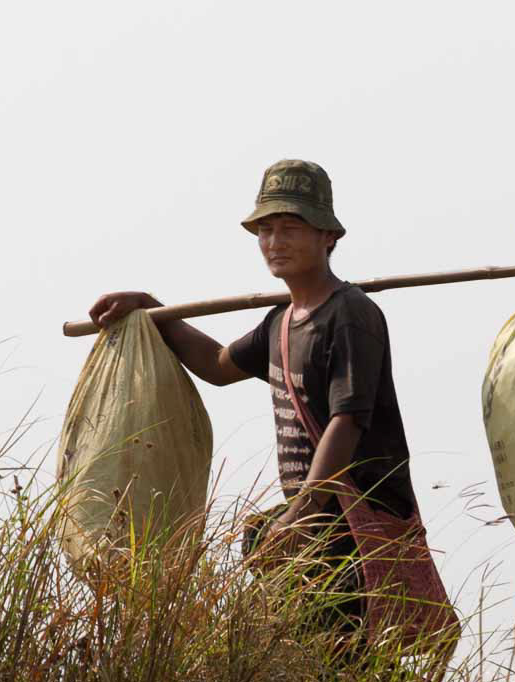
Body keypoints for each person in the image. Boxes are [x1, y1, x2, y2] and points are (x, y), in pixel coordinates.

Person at [88, 159, 430, 645]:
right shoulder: (282, 323)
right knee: (305, 648)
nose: (276, 242)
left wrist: (303, 512)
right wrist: (152, 309)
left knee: (342, 660)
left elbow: (348, 420)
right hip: (315, 518)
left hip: (355, 521)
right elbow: (218, 365)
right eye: (265, 230)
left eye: (291, 228)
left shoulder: (351, 315)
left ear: (329, 236)